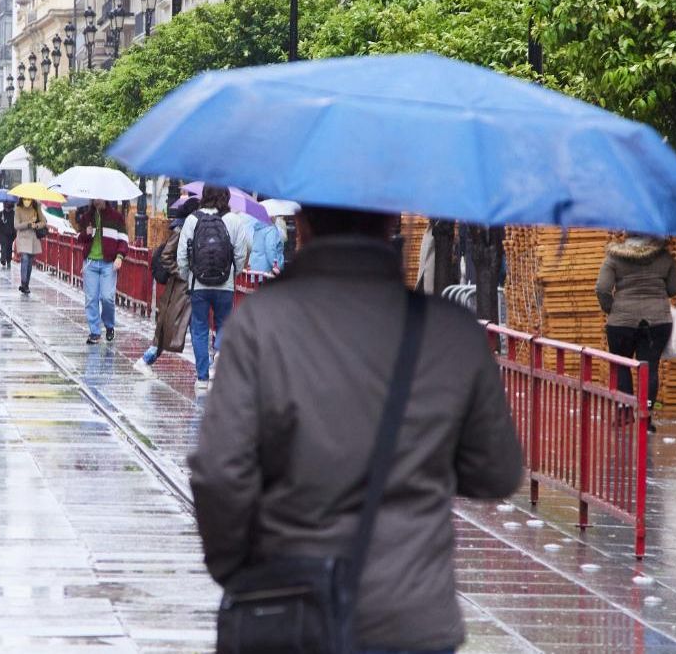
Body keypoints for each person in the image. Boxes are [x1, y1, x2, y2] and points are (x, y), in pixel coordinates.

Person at [188, 205, 525, 654]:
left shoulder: (262, 323)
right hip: (411, 616)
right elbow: (496, 472)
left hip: (291, 610)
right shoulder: (451, 332)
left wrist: (238, 570)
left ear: (303, 226)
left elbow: (219, 471)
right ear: (390, 224)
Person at [596, 234, 676, 425]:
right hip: (657, 321)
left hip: (621, 322)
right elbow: (675, 287)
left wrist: (612, 308)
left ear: (627, 233)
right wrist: (657, 294)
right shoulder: (665, 257)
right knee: (650, 368)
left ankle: (625, 413)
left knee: (621, 366)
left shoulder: (615, 257)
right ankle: (647, 413)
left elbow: (602, 288)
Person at [176, 185, 250, 388]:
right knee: (224, 324)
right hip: (225, 284)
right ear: (226, 196)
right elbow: (241, 253)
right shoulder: (234, 220)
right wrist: (235, 273)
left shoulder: (192, 220)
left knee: (199, 328)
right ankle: (219, 350)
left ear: (204, 195)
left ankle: (201, 377)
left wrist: (187, 276)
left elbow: (182, 255)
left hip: (198, 284)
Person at [134, 199, 196, 375]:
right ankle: (147, 358)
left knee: (176, 327)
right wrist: (181, 272)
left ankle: (206, 371)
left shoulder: (188, 228)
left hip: (187, 286)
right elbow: (167, 256)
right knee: (167, 328)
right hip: (180, 287)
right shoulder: (182, 230)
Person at [77, 199, 129, 345]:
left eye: (99, 197)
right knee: (91, 298)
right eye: (94, 198)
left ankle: (109, 325)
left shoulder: (116, 217)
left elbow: (124, 240)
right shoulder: (86, 217)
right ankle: (94, 332)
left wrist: (119, 257)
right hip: (91, 263)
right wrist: (86, 234)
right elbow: (79, 238)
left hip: (109, 264)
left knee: (107, 297)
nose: (96, 201)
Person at [14, 197, 47, 294]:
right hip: (23, 238)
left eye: (29, 199)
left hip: (33, 239)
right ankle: (23, 283)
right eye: (25, 199)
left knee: (29, 262)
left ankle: (26, 283)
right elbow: (16, 225)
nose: (27, 201)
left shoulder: (36, 208)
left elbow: (43, 222)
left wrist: (36, 225)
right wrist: (28, 223)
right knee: (24, 258)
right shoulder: (18, 209)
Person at [0, 200, 16, 268]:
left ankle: (8, 260)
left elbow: (15, 224)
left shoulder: (14, 214)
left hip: (11, 234)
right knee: (4, 245)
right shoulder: (1, 213)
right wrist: (1, 220)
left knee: (9, 247)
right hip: (2, 233)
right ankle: (3, 259)